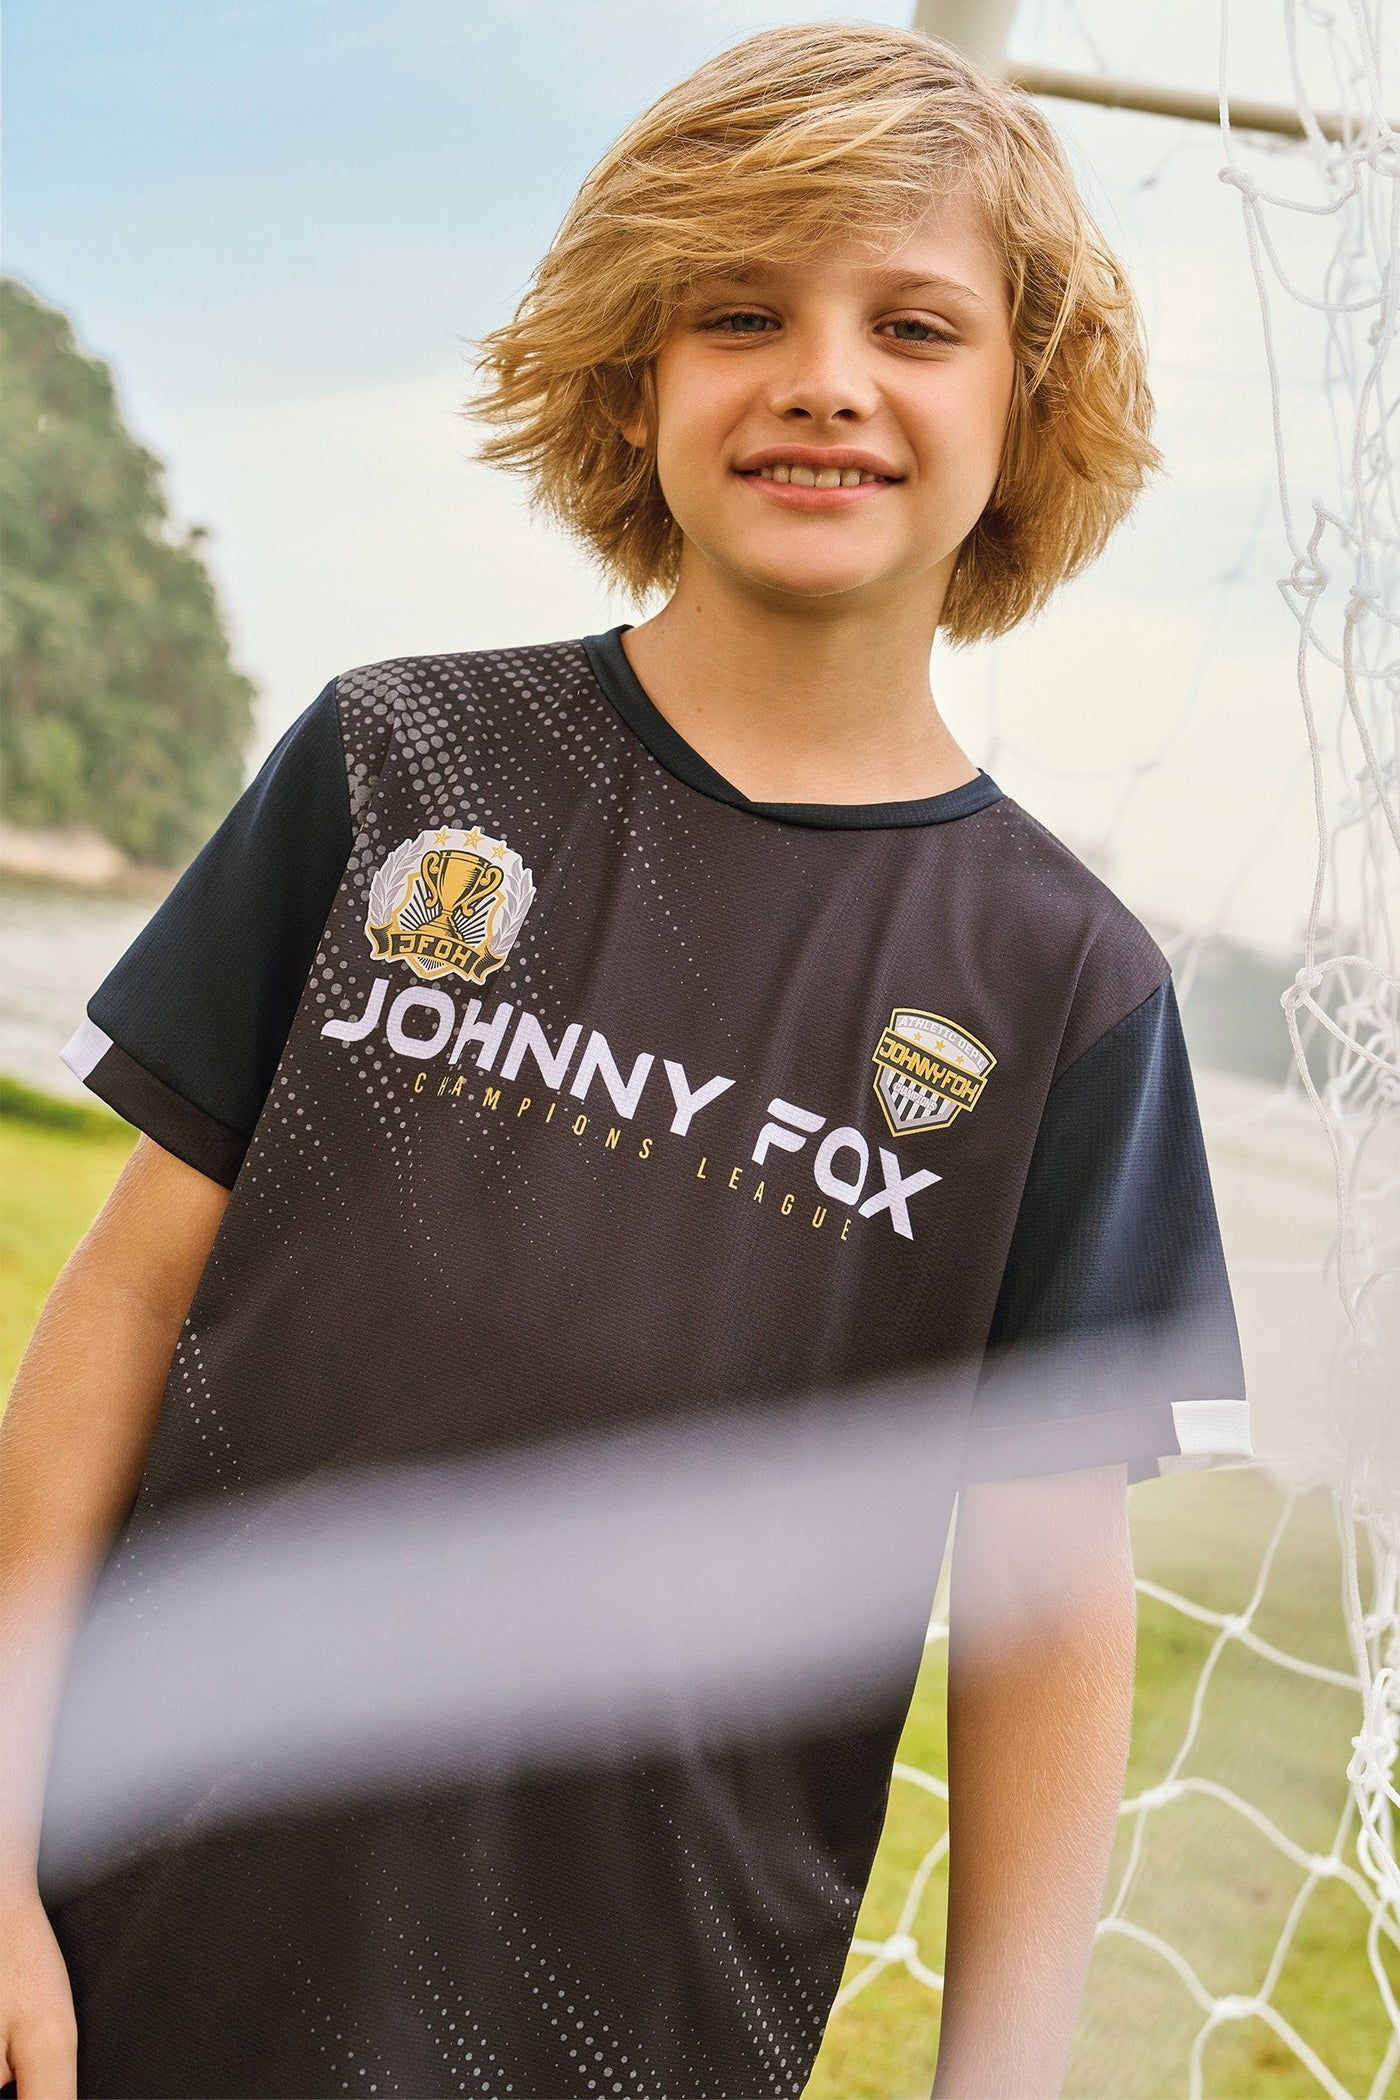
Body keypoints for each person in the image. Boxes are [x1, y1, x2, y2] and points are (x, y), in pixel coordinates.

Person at [0, 21, 1252, 2100]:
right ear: (631, 372)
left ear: (1027, 409)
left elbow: (1044, 1592)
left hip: (629, 2039)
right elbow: (125, 1305)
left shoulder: (1065, 987)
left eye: (912, 325)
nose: (823, 378)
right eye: (740, 311)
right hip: (128, 1968)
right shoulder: (396, 760)